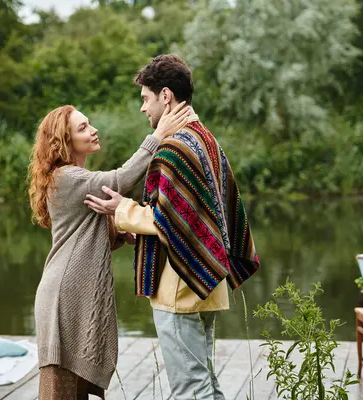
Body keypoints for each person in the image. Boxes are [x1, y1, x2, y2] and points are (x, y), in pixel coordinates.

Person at [84, 54, 261, 400]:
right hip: (206, 279)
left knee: (189, 390)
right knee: (206, 382)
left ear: (165, 96)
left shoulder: (174, 147)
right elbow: (204, 215)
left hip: (179, 285)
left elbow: (171, 218)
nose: (142, 109)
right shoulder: (206, 139)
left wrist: (123, 209)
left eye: (145, 99)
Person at [28, 102, 190, 399]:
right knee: (60, 393)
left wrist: (118, 235)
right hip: (64, 298)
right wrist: (157, 137)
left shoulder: (74, 177)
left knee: (74, 392)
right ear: (65, 142)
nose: (93, 130)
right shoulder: (67, 177)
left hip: (70, 292)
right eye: (83, 128)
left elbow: (81, 230)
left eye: (89, 124)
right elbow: (118, 180)